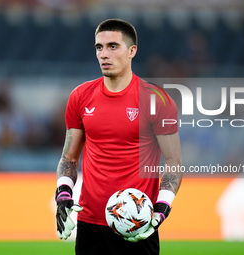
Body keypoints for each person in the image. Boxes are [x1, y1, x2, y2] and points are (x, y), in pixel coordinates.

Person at [55, 18, 183, 255]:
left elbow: (173, 162)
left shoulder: (157, 100)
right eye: (99, 47)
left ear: (132, 51)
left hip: (138, 225)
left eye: (113, 46)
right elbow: (69, 158)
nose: (104, 54)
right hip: (90, 223)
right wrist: (63, 194)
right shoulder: (80, 97)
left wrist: (162, 207)